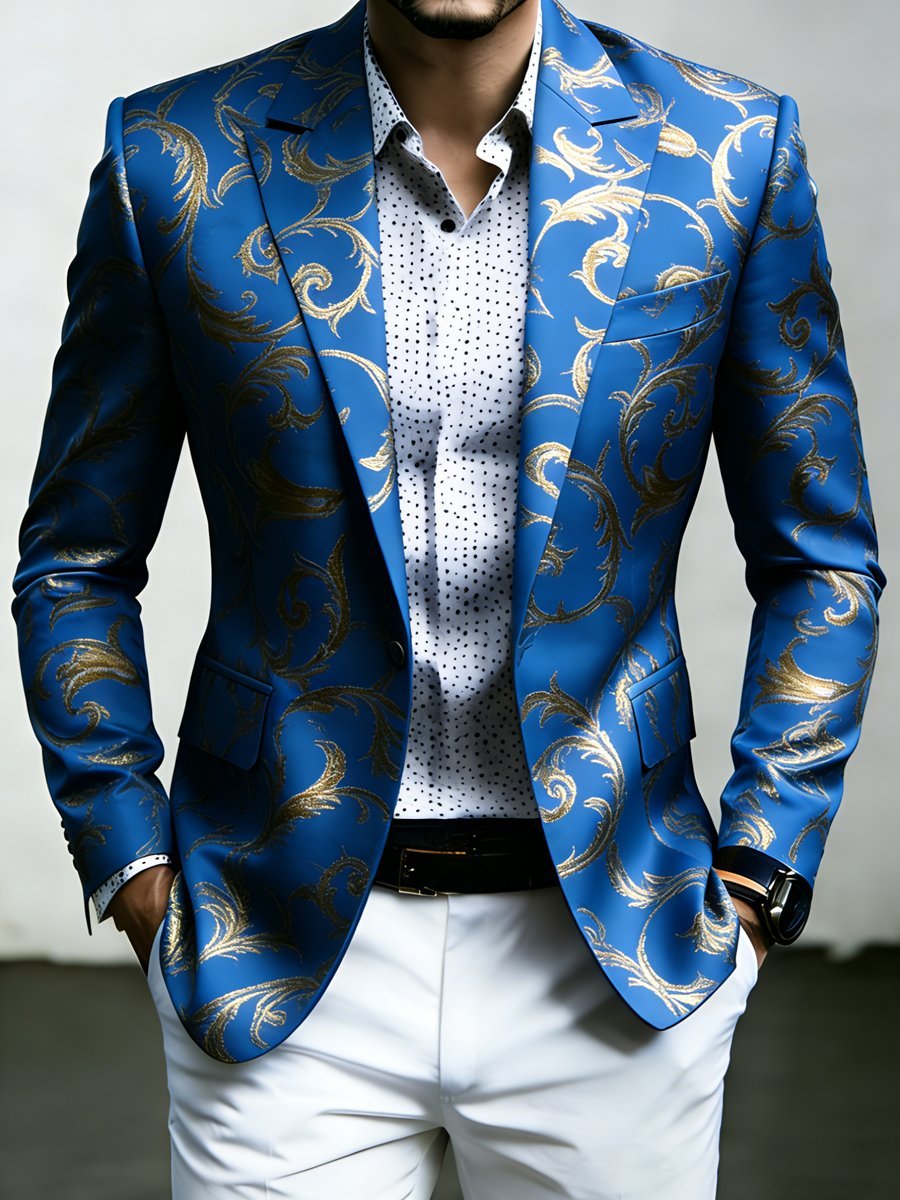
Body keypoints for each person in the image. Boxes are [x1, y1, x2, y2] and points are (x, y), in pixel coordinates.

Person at [11, 0, 884, 1195]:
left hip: (617, 941)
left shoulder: (725, 148)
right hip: (274, 938)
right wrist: (133, 867)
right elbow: (76, 555)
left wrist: (759, 873)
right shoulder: (176, 155)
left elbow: (821, 558)